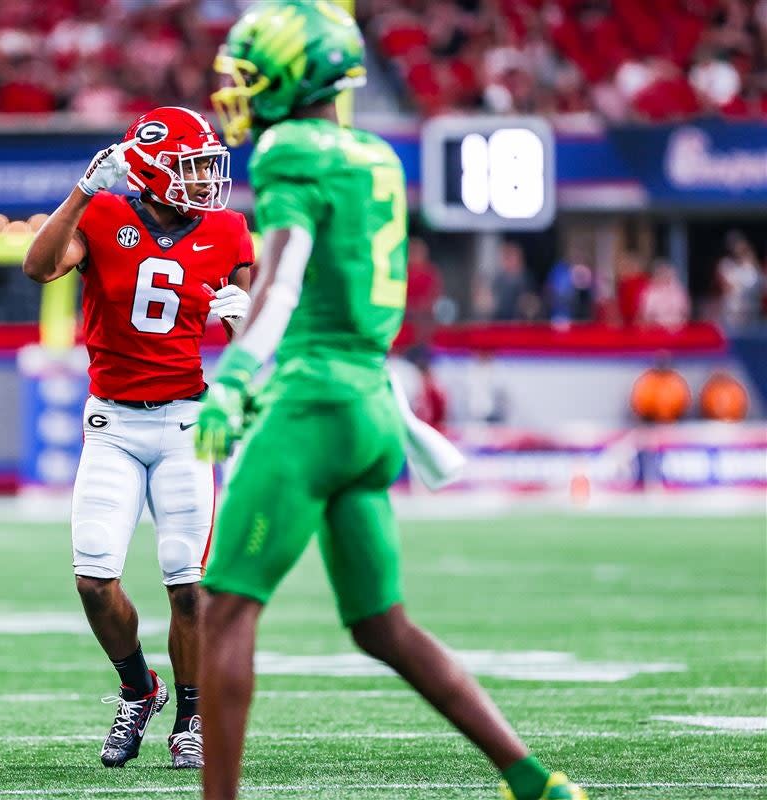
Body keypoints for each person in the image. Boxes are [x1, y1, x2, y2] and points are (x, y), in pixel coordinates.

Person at [194, 4, 586, 800]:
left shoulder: (289, 149)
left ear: (295, 74)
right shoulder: (373, 153)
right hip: (372, 404)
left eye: (252, 69)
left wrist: (234, 378)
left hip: (314, 405)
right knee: (382, 626)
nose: (238, 86)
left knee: (224, 610)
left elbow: (282, 277)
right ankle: (534, 780)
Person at [22, 106, 254, 770]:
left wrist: (244, 322)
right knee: (95, 581)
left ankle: (192, 713)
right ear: (150, 169)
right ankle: (137, 688)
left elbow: (251, 349)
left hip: (187, 421)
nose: (208, 181)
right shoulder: (102, 216)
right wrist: (82, 191)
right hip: (113, 423)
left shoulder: (230, 231)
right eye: (193, 167)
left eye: (210, 166)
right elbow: (38, 268)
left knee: (189, 584)